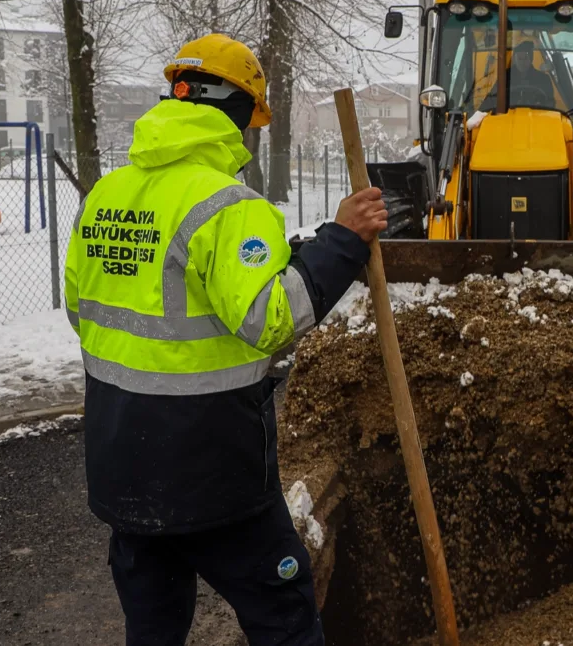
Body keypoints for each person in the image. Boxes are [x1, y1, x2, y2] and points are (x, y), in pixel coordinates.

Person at [64, 33, 387, 646]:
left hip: (122, 470)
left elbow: (85, 311)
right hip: (212, 475)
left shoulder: (107, 194)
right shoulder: (227, 205)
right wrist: (343, 242)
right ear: (239, 115)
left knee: (153, 629)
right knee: (284, 618)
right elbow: (268, 319)